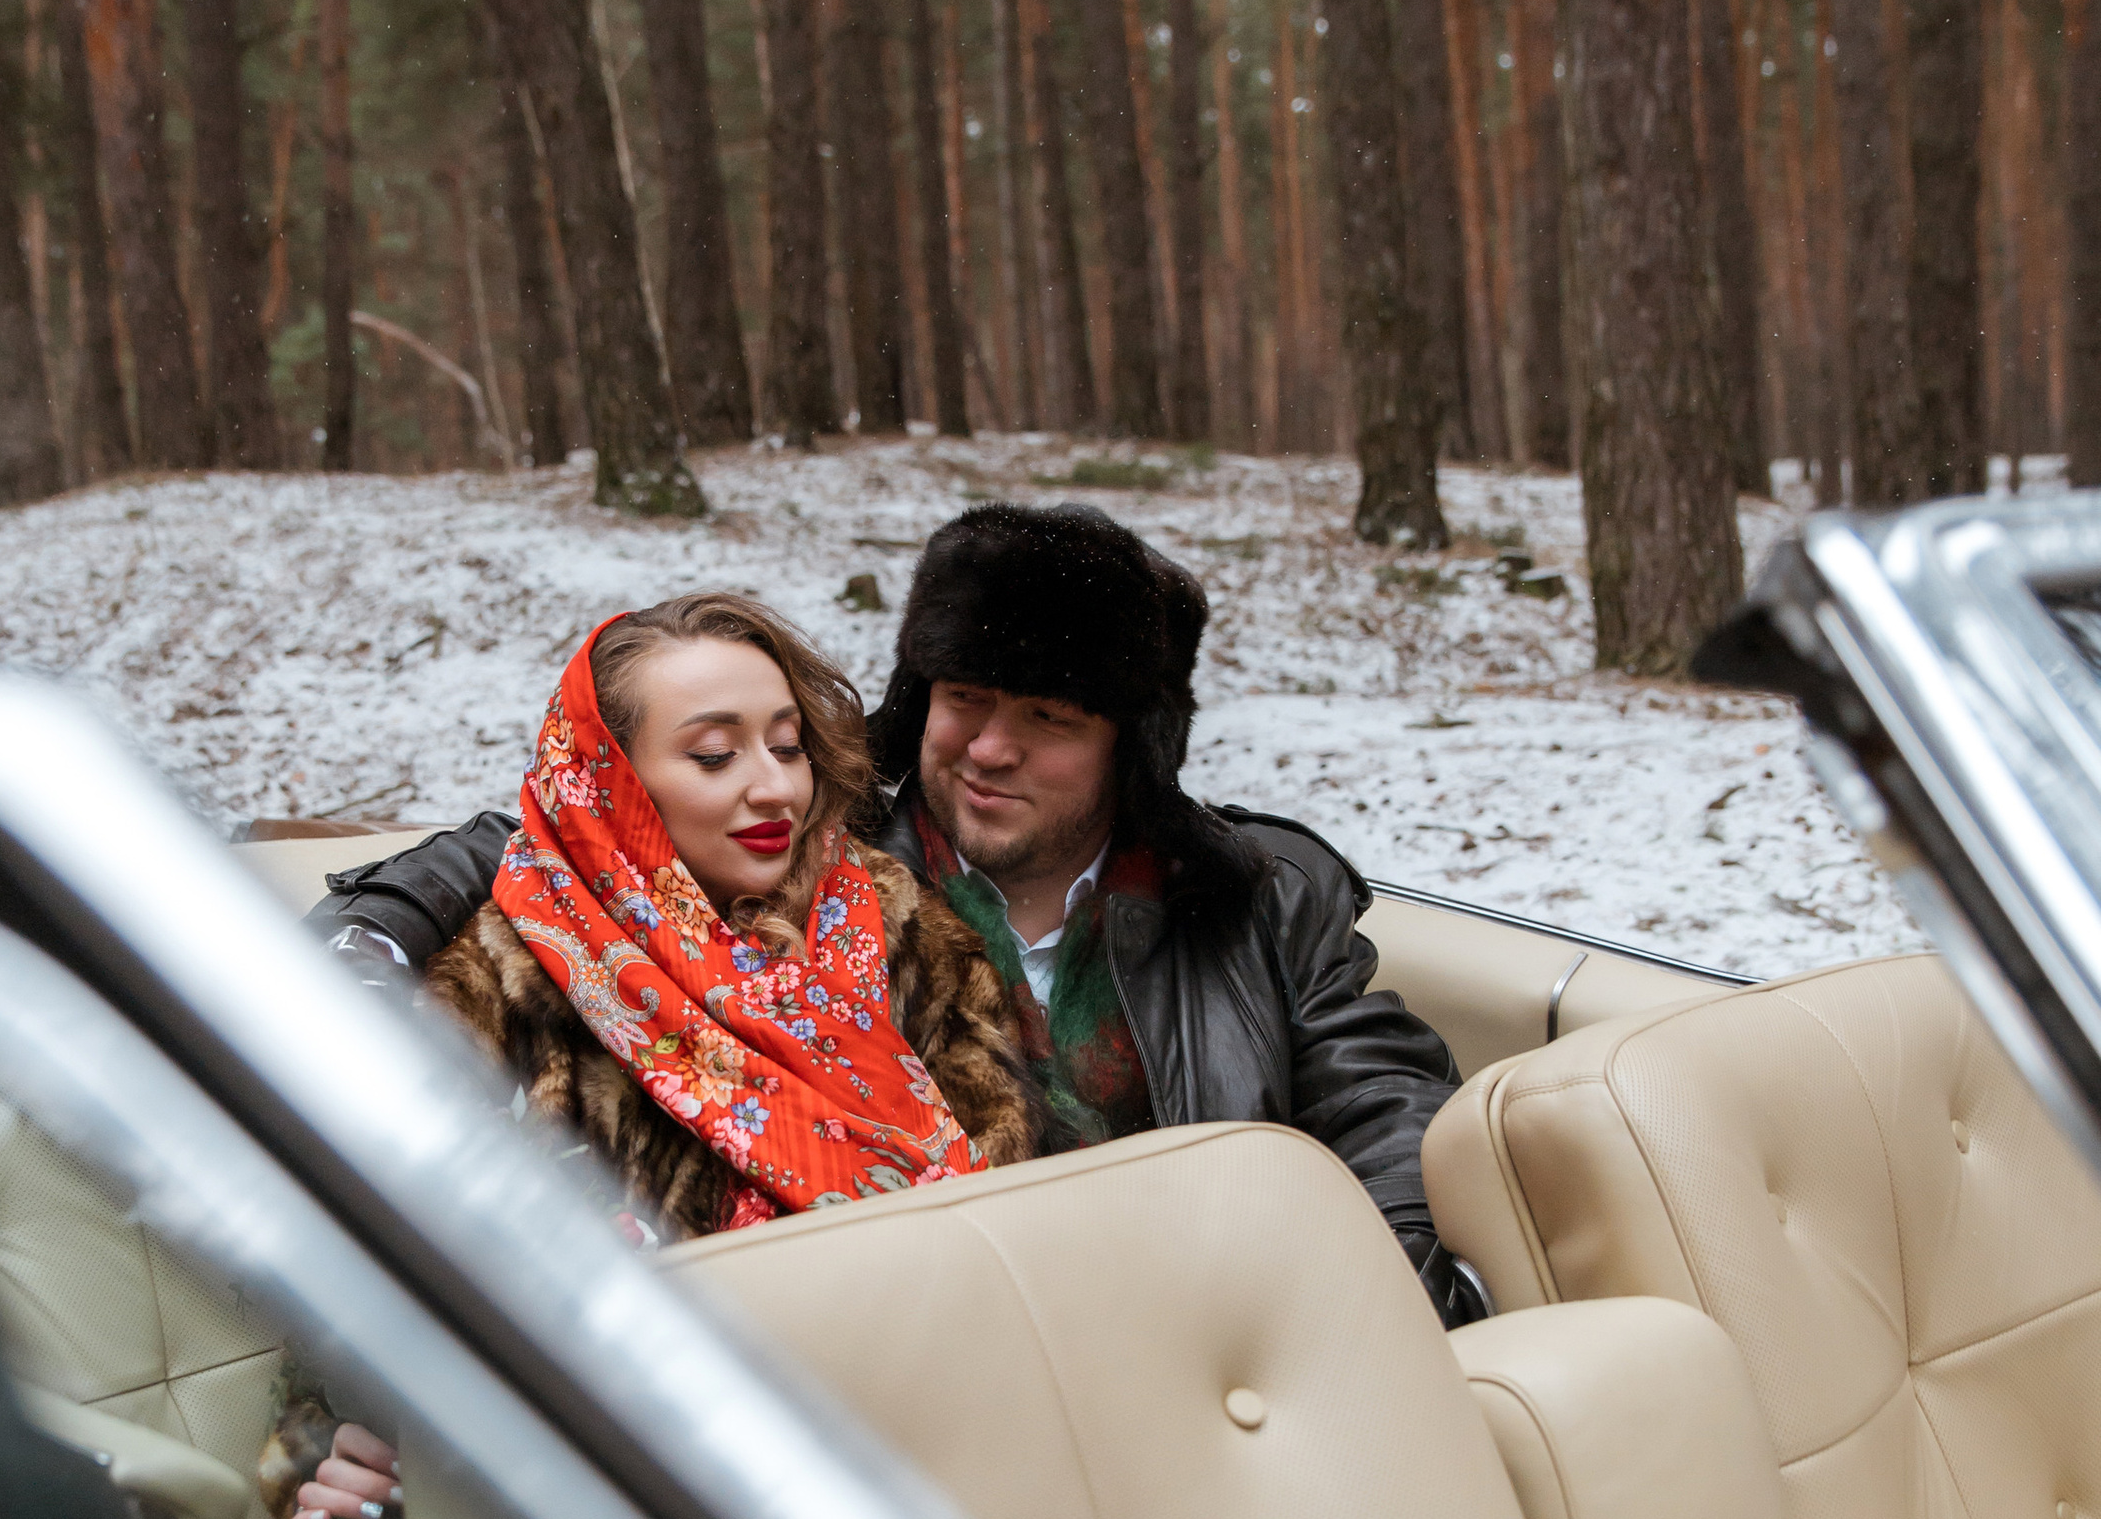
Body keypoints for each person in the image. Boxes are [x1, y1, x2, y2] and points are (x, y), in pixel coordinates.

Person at [310, 504, 1484, 1327]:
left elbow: (1383, 1108)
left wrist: (1380, 1319)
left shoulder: (1254, 898)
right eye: (964, 699)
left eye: (1048, 717)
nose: (987, 748)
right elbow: (555, 828)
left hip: (1204, 1340)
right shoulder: (819, 854)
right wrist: (368, 941)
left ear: (1131, 746)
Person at [284, 586, 1041, 1519]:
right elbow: (379, 1250)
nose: (773, 787)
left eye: (788, 744)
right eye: (716, 755)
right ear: (613, 780)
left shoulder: (893, 923)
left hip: (949, 1439)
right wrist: (351, 1432)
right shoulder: (508, 972)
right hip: (647, 1503)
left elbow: (1015, 1194)